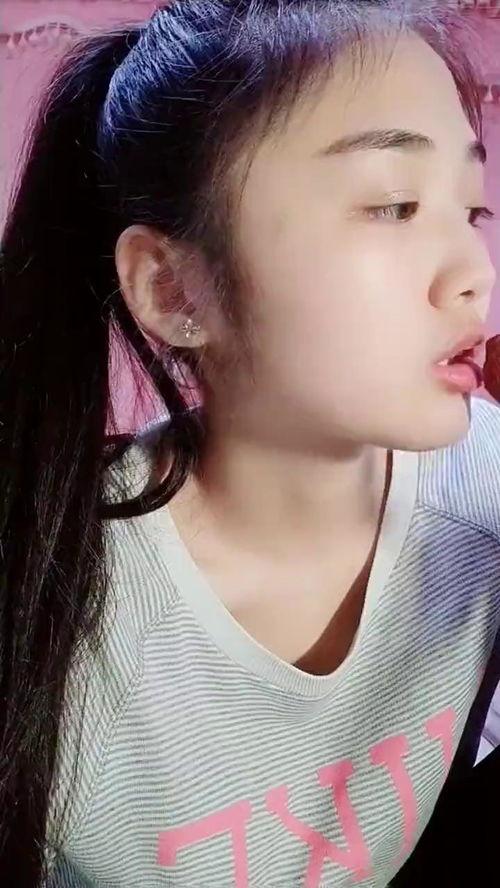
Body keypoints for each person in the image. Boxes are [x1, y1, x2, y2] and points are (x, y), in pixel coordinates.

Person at [1, 1, 499, 886]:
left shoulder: (481, 486)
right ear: (175, 290)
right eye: (393, 205)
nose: (476, 275)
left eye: (473, 209)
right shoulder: (59, 604)